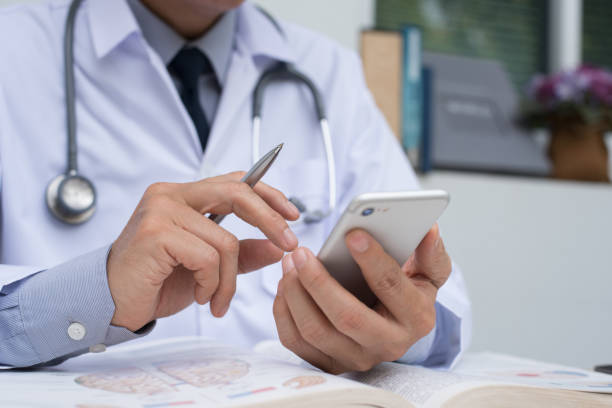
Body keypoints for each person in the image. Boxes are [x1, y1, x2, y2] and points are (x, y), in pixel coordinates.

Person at [0, 0, 471, 372]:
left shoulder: (329, 70)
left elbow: (445, 312)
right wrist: (95, 292)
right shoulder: (13, 48)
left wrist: (401, 328)